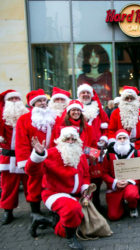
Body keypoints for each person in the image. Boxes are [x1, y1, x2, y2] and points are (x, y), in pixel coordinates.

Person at [25, 127, 90, 250]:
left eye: (73, 139)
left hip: (74, 194)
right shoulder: (52, 153)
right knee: (73, 209)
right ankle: (71, 239)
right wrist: (38, 155)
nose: (70, 142)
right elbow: (31, 171)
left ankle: (42, 220)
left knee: (76, 220)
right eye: (67, 139)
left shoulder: (79, 154)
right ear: (61, 140)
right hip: (54, 193)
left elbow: (86, 175)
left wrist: (85, 189)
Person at [15, 89, 57, 216]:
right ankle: (35, 212)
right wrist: (24, 160)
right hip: (35, 158)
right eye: (39, 101)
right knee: (34, 185)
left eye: (44, 100)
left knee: (53, 183)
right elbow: (21, 141)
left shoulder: (54, 117)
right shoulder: (24, 119)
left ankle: (54, 208)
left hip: (52, 157)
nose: (43, 103)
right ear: (33, 104)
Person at [77, 83, 109, 210]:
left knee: (97, 176)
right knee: (83, 176)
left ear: (91, 95)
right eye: (82, 93)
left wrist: (104, 138)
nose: (85, 95)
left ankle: (96, 200)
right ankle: (85, 203)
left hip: (96, 148)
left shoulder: (98, 109)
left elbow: (106, 124)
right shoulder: (75, 109)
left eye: (87, 93)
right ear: (79, 95)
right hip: (81, 149)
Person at [0, 90, 29, 225]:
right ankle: (8, 211)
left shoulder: (27, 115)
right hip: (8, 157)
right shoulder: (2, 116)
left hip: (25, 156)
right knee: (8, 186)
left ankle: (35, 210)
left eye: (17, 98)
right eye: (11, 99)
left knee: (30, 185)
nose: (15, 101)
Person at [102, 129, 140, 220]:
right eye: (120, 138)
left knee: (131, 194)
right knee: (113, 216)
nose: (122, 140)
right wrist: (115, 182)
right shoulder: (109, 155)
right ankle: (120, 204)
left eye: (124, 138)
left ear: (128, 139)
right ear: (116, 140)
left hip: (129, 184)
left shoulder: (135, 153)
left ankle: (132, 207)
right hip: (115, 186)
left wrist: (130, 181)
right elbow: (104, 173)